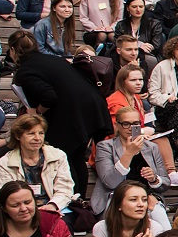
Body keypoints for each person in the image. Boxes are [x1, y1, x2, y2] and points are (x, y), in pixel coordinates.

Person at [8, 30, 113, 192]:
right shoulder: (52, 59)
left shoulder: (25, 70)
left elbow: (49, 96)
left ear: (13, 51)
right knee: (76, 156)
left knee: (66, 156)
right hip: (90, 108)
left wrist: (36, 111)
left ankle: (74, 199)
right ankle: (79, 199)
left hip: (72, 114)